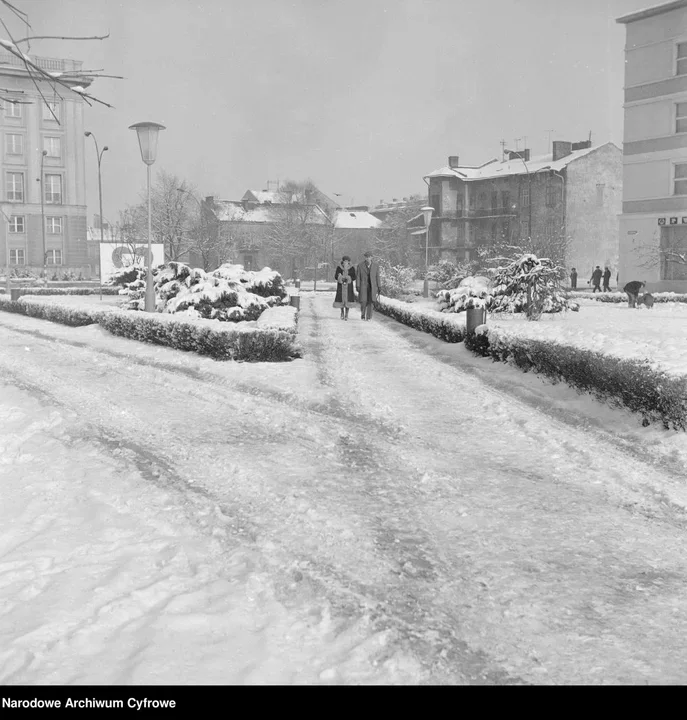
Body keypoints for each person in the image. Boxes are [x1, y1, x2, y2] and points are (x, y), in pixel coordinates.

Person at [356, 250, 381, 321]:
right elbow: (358, 276)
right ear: (365, 258)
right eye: (366, 257)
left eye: (369, 257)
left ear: (372, 257)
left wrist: (379, 286)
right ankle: (363, 314)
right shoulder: (360, 265)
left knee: (371, 301)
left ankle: (369, 317)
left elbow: (377, 277)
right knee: (363, 301)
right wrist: (357, 286)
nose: (367, 258)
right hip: (363, 286)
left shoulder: (376, 266)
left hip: (373, 287)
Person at [333, 255, 356, 320]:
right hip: (341, 286)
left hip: (349, 286)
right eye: (344, 261)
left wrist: (349, 278)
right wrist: (340, 277)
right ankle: (342, 312)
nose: (346, 262)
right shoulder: (339, 268)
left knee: (348, 299)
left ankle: (347, 314)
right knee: (341, 299)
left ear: (349, 262)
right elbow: (335, 276)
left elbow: (354, 277)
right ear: (342, 261)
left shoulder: (352, 268)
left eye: (347, 261)